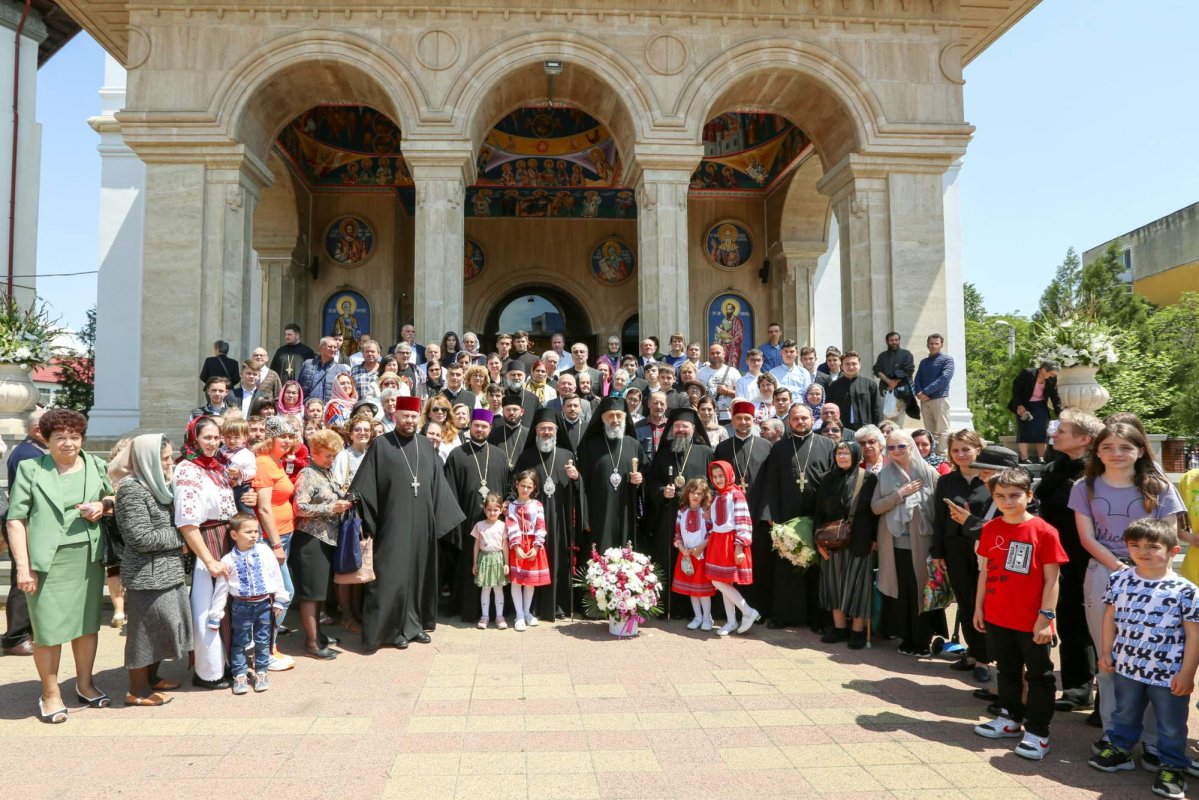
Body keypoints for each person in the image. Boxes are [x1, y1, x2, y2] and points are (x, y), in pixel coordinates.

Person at [1071, 422, 1186, 751]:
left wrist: (1143, 569)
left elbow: (1169, 535)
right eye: (1108, 447)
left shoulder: (1159, 487)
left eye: (1125, 447)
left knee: (1152, 659)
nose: (1116, 454)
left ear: (1139, 450)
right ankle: (1114, 736)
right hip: (1105, 574)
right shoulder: (1085, 486)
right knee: (1107, 660)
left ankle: (1153, 741)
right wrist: (1121, 570)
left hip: (1154, 577)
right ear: (1097, 451)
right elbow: (1086, 538)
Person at [6, 409, 115, 721]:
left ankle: (85, 684)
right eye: (60, 437)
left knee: (87, 627)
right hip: (46, 564)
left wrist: (101, 506)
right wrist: (23, 568)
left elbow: (114, 497)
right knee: (48, 632)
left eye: (74, 437)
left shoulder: (95, 464)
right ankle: (50, 692)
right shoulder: (31, 468)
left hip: (87, 561)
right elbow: (16, 519)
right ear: (47, 438)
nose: (68, 443)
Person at [1089, 518, 1199, 799]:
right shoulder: (1120, 578)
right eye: (1135, 545)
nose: (1143, 551)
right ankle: (1121, 749)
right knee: (1124, 712)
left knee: (1171, 723)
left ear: (1173, 552)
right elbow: (1110, 617)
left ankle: (1173, 766)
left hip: (1168, 673)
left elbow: (1194, 634)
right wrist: (1106, 651)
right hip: (1127, 667)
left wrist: (1187, 673)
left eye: (1153, 546)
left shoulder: (1186, 591)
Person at [351, 396, 465, 651]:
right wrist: (361, 507)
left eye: (414, 417)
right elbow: (366, 482)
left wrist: (446, 519)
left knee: (417, 575)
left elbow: (438, 485)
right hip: (393, 523)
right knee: (392, 576)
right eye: (405, 416)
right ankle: (390, 631)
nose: (410, 420)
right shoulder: (381, 445)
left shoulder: (426, 445)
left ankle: (412, 626)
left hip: (422, 524)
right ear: (396, 416)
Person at [970, 467, 1067, 761]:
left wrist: (1046, 617)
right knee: (1008, 670)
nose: (1007, 501)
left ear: (1028, 495)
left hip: (1032, 620)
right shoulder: (990, 528)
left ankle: (1038, 732)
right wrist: (979, 607)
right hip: (998, 616)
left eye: (1014, 495)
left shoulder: (1044, 532)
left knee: (1039, 676)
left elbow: (1053, 579)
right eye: (1000, 496)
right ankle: (1010, 717)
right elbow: (985, 572)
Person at [1033, 408, 1104, 714]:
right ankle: (1077, 687)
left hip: (1090, 556)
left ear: (1084, 439)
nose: (1054, 434)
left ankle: (1106, 696)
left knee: (1096, 627)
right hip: (1059, 556)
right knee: (1071, 621)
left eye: (1062, 430)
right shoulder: (1055, 467)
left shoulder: (1097, 473)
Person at [110, 434, 189, 706]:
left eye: (170, 457)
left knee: (163, 628)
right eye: (164, 459)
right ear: (147, 461)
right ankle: (137, 690)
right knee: (143, 635)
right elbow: (140, 538)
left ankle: (152, 678)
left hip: (167, 570)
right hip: (147, 574)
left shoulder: (157, 485)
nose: (170, 463)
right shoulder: (132, 489)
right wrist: (183, 537)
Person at [757, 403, 836, 630]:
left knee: (816, 571)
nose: (800, 422)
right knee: (786, 569)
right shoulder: (780, 448)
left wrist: (829, 518)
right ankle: (783, 616)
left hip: (817, 517)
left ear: (812, 419)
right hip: (787, 518)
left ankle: (817, 619)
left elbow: (833, 484)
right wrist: (770, 516)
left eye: (804, 418)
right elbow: (771, 483)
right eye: (795, 419)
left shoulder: (827, 445)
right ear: (788, 422)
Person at [871, 428, 944, 657]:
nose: (896, 451)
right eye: (891, 447)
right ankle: (906, 637)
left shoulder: (929, 473)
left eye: (901, 446)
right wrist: (899, 495)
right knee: (902, 592)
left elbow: (938, 510)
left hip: (923, 544)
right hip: (894, 545)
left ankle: (922, 639)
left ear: (910, 446)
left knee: (921, 592)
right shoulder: (884, 475)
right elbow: (876, 507)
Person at [929, 430, 993, 683]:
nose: (961, 455)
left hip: (983, 548)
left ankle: (985, 659)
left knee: (983, 604)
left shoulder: (989, 480)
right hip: (954, 546)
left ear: (978, 448)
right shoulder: (947, 481)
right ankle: (972, 652)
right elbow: (939, 517)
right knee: (965, 602)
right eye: (955, 450)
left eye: (966, 449)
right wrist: (937, 552)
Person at [514, 409, 585, 621]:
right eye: (542, 428)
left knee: (558, 560)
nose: (546, 432)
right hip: (530, 522)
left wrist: (576, 478)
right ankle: (531, 607)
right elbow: (514, 485)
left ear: (556, 431)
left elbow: (577, 490)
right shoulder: (527, 456)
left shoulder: (567, 456)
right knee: (531, 561)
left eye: (550, 429)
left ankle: (557, 605)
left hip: (558, 518)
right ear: (535, 431)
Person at [206, 513, 289, 694]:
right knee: (239, 642)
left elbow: (275, 574)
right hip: (241, 606)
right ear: (234, 535)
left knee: (262, 640)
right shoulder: (228, 560)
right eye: (248, 532)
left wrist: (279, 600)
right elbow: (222, 588)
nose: (254, 535)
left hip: (264, 604)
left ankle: (261, 671)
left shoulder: (265, 551)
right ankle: (240, 674)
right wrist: (216, 614)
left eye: (256, 531)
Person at [292, 429, 354, 660]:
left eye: (334, 455)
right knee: (311, 593)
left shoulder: (324, 472)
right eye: (327, 455)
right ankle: (311, 642)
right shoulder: (308, 474)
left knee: (319, 592)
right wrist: (331, 508)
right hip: (310, 539)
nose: (331, 459)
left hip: (324, 539)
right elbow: (300, 507)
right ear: (315, 452)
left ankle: (317, 635)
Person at [445, 409, 511, 622]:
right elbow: (449, 491)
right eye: (476, 426)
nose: (480, 430)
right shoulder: (457, 454)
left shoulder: (500, 455)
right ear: (470, 427)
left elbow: (508, 486)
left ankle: (496, 612)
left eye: (484, 427)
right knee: (469, 566)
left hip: (494, 524)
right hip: (466, 522)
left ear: (490, 429)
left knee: (496, 566)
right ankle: (470, 610)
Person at [646, 408, 714, 607]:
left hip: (698, 519)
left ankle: (694, 609)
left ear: (693, 428)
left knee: (695, 559)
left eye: (685, 426)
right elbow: (651, 481)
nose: (680, 429)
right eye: (676, 426)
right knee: (669, 557)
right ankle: (670, 605)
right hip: (669, 516)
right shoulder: (664, 452)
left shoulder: (705, 452)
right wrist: (661, 491)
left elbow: (713, 485)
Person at [814, 441, 878, 650]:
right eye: (838, 453)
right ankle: (839, 628)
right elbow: (819, 512)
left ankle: (857, 631)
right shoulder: (828, 479)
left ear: (856, 455)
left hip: (860, 541)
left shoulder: (869, 479)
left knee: (858, 586)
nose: (841, 457)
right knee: (834, 584)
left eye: (846, 453)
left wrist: (875, 539)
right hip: (832, 541)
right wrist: (818, 540)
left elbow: (875, 513)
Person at [252, 416, 301, 672]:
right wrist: (275, 544)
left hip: (284, 534)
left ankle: (269, 647)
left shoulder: (276, 462)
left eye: (291, 437)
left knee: (277, 594)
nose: (288, 441)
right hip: (273, 538)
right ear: (270, 438)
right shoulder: (263, 463)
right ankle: (264, 650)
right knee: (283, 593)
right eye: (283, 436)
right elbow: (263, 508)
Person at [576, 397, 644, 555]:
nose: (615, 420)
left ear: (625, 417)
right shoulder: (590, 446)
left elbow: (644, 473)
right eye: (610, 416)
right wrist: (585, 517)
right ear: (602, 418)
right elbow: (582, 483)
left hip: (626, 509)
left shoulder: (633, 444)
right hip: (598, 512)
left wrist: (640, 480)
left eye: (619, 415)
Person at [706, 461, 760, 635]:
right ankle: (731, 621)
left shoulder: (736, 495)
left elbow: (743, 521)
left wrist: (739, 547)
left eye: (721, 475)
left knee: (718, 581)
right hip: (717, 541)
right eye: (715, 477)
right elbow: (716, 521)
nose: (718, 479)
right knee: (722, 581)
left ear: (729, 475)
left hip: (730, 542)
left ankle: (748, 611)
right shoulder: (717, 496)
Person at [506, 470, 551, 631]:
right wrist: (516, 546)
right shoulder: (510, 506)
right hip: (517, 545)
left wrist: (537, 546)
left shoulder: (537, 505)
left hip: (533, 544)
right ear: (516, 484)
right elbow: (510, 525)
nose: (525, 489)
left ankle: (526, 612)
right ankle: (518, 614)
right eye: (522, 485)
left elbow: (540, 525)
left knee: (530, 581)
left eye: (529, 487)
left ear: (534, 488)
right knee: (517, 581)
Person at [673, 477, 716, 631]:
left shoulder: (706, 513)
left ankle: (707, 618)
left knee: (703, 590)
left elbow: (712, 533)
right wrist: (681, 547)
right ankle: (697, 617)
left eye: (699, 493)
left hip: (701, 555)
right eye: (693, 492)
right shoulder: (681, 512)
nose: (695, 496)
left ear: (704, 495)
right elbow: (677, 534)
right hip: (685, 555)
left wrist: (701, 547)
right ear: (687, 493)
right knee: (692, 589)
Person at [1008, 360, 1062, 463]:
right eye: (1051, 373)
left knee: (1042, 430)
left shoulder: (1052, 379)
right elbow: (1016, 389)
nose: (1052, 376)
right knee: (1024, 430)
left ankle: (1041, 457)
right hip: (1024, 405)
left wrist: (1060, 413)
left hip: (1040, 405)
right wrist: (1019, 405)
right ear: (1043, 369)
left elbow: (1055, 396)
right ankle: (1024, 458)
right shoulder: (1027, 373)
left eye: (1053, 374)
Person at [472, 494, 510, 629]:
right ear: (484, 510)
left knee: (498, 589)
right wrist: (475, 563)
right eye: (489, 509)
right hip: (484, 559)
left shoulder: (503, 525)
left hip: (498, 559)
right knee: (486, 589)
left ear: (500, 510)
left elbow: (505, 546)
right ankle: (485, 617)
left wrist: (506, 563)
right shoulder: (479, 525)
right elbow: (476, 545)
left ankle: (500, 617)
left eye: (495, 510)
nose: (492, 513)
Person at [913, 334, 954, 456]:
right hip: (925, 400)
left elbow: (944, 378)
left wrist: (926, 392)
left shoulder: (947, 359)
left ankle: (942, 457)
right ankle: (930, 456)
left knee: (943, 431)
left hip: (940, 399)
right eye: (931, 343)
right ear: (927, 344)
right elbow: (917, 378)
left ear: (941, 345)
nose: (934, 346)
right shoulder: (924, 362)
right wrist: (919, 393)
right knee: (929, 432)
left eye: (936, 343)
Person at [825, 351, 882, 432]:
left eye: (854, 364)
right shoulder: (834, 386)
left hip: (866, 429)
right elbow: (829, 409)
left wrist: (878, 430)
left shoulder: (870, 384)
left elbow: (877, 410)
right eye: (847, 364)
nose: (851, 367)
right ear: (841, 366)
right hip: (842, 429)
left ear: (860, 365)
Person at [873, 332, 916, 428]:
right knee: (884, 423)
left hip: (901, 394)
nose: (894, 342)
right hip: (884, 392)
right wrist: (888, 381)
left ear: (899, 341)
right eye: (891, 340)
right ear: (887, 341)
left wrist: (895, 382)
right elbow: (876, 370)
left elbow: (908, 370)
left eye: (896, 340)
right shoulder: (882, 356)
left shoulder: (906, 354)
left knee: (898, 424)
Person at [298, 337, 350, 403]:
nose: (333, 349)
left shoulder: (341, 369)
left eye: (335, 347)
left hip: (330, 409)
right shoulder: (308, 365)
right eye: (330, 347)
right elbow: (299, 387)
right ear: (321, 347)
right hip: (309, 408)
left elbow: (345, 392)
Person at [698, 343, 740, 424]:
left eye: (718, 353)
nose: (715, 355)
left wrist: (727, 392)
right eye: (712, 353)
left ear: (724, 354)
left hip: (728, 416)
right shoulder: (700, 373)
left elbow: (741, 395)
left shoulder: (733, 372)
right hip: (707, 416)